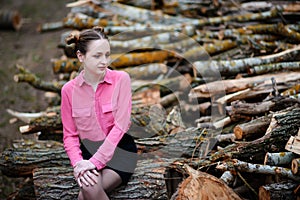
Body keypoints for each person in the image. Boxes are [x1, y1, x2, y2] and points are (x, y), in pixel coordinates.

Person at [60, 26, 137, 200]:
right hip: (87, 153)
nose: (104, 61)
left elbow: (121, 126)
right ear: (81, 56)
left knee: (86, 192)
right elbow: (70, 136)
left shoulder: (121, 79)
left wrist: (93, 163)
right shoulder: (68, 91)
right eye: (97, 56)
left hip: (120, 150)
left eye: (107, 55)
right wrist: (78, 163)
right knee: (87, 191)